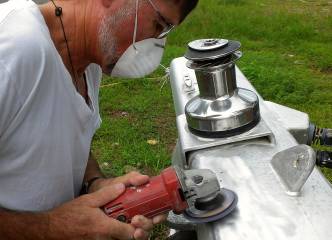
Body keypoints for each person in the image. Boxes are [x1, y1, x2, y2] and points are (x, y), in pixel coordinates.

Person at [0, 0, 198, 239]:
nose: (157, 43)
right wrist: (51, 227)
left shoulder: (90, 60)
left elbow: (68, 138)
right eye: (157, 24)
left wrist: (95, 184)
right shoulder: (12, 49)